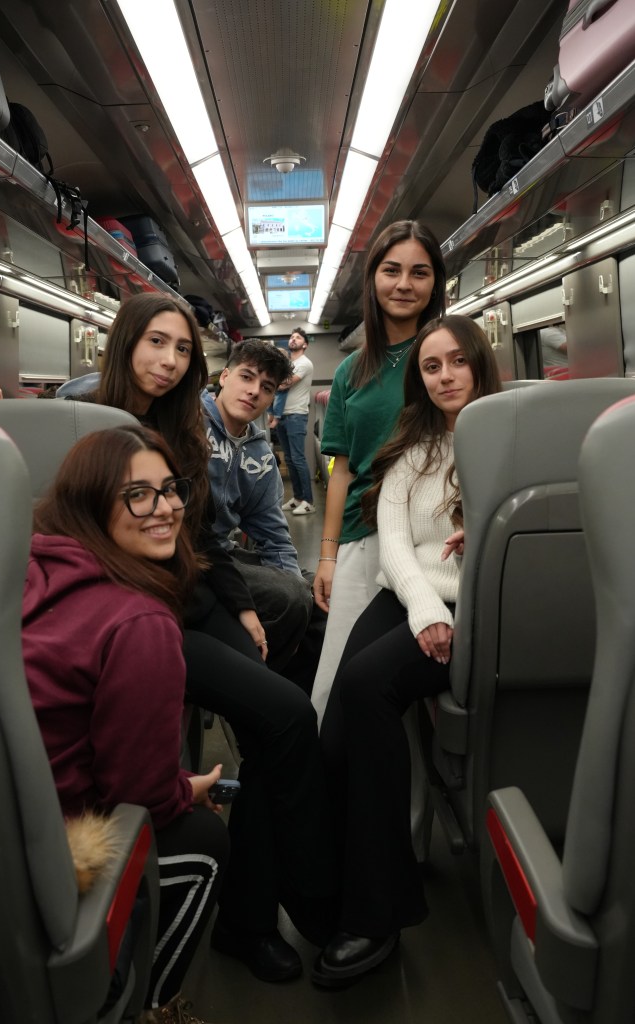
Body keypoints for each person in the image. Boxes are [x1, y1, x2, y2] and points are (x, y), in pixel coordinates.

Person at [0, 295, 338, 982]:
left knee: (281, 705)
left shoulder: (187, 428)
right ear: (126, 341)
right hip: (120, 610)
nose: (169, 361)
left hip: (182, 595)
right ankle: (295, 900)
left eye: (184, 349)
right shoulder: (73, 410)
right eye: (156, 342)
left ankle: (258, 909)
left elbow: (201, 534)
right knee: (283, 715)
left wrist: (241, 606)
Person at [312, 316, 503, 988]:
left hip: (475, 610)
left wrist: (476, 542)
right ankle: (342, 875)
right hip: (412, 599)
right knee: (334, 728)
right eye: (431, 366)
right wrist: (423, 607)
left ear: (479, 363)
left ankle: (379, 910)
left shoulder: (508, 438)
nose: (445, 376)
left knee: (367, 686)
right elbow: (393, 539)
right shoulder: (413, 447)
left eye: (457, 361)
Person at [22, 424, 229, 1020]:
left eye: (170, 489)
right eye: (137, 495)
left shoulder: (24, 567)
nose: (164, 509)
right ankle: (145, 1002)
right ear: (90, 504)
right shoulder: (138, 623)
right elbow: (139, 796)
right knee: (206, 841)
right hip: (48, 857)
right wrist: (184, 790)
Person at [310, 220, 447, 721]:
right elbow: (341, 470)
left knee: (402, 689)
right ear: (373, 279)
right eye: (392, 271)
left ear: (435, 283)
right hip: (364, 534)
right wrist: (328, 556)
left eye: (419, 272)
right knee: (334, 690)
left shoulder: (445, 358)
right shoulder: (352, 370)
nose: (404, 284)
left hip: (434, 543)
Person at [202, 339, 313, 669]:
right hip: (191, 557)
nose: (254, 392)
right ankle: (260, 680)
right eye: (246, 377)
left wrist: (299, 591)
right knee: (291, 596)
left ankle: (275, 678)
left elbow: (274, 536)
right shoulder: (187, 419)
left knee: (311, 593)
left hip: (223, 553)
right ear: (225, 376)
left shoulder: (260, 456)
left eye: (266, 388)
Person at [276, 328, 316, 516]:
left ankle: (309, 502)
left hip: (296, 415)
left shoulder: (304, 363)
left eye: (298, 337)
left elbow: (285, 384)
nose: (293, 339)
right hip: (283, 415)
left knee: (298, 459)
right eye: (291, 337)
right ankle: (298, 498)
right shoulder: (288, 363)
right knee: (290, 460)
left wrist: (270, 382)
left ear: (305, 344)